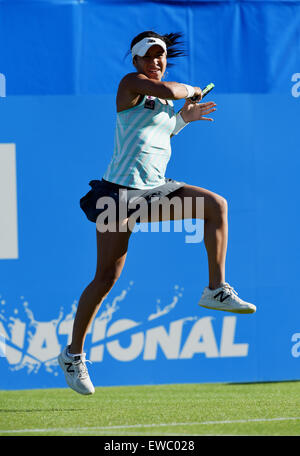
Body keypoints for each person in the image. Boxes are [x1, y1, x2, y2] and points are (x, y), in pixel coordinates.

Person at [58, 31, 256, 395]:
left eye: (161, 56)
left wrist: (183, 120)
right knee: (104, 279)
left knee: (215, 205)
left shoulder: (165, 101)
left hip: (155, 189)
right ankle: (73, 355)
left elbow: (157, 134)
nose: (156, 61)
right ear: (136, 61)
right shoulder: (131, 83)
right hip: (117, 197)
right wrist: (190, 91)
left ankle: (215, 289)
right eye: (149, 56)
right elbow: (170, 91)